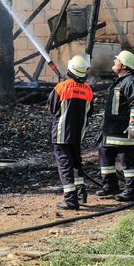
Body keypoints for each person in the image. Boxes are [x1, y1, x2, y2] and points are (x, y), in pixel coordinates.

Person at [47, 55, 94, 210]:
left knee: (64, 165)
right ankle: (81, 194)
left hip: (61, 134)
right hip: (77, 134)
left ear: (70, 70)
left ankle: (70, 200)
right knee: (76, 163)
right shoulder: (88, 89)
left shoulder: (61, 87)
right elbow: (90, 112)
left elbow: (52, 109)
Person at [97, 50, 134, 202]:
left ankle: (130, 192)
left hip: (124, 130)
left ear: (123, 65)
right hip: (112, 130)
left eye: (116, 60)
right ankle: (110, 186)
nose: (114, 61)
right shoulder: (119, 81)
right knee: (104, 152)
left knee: (128, 160)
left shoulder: (131, 81)